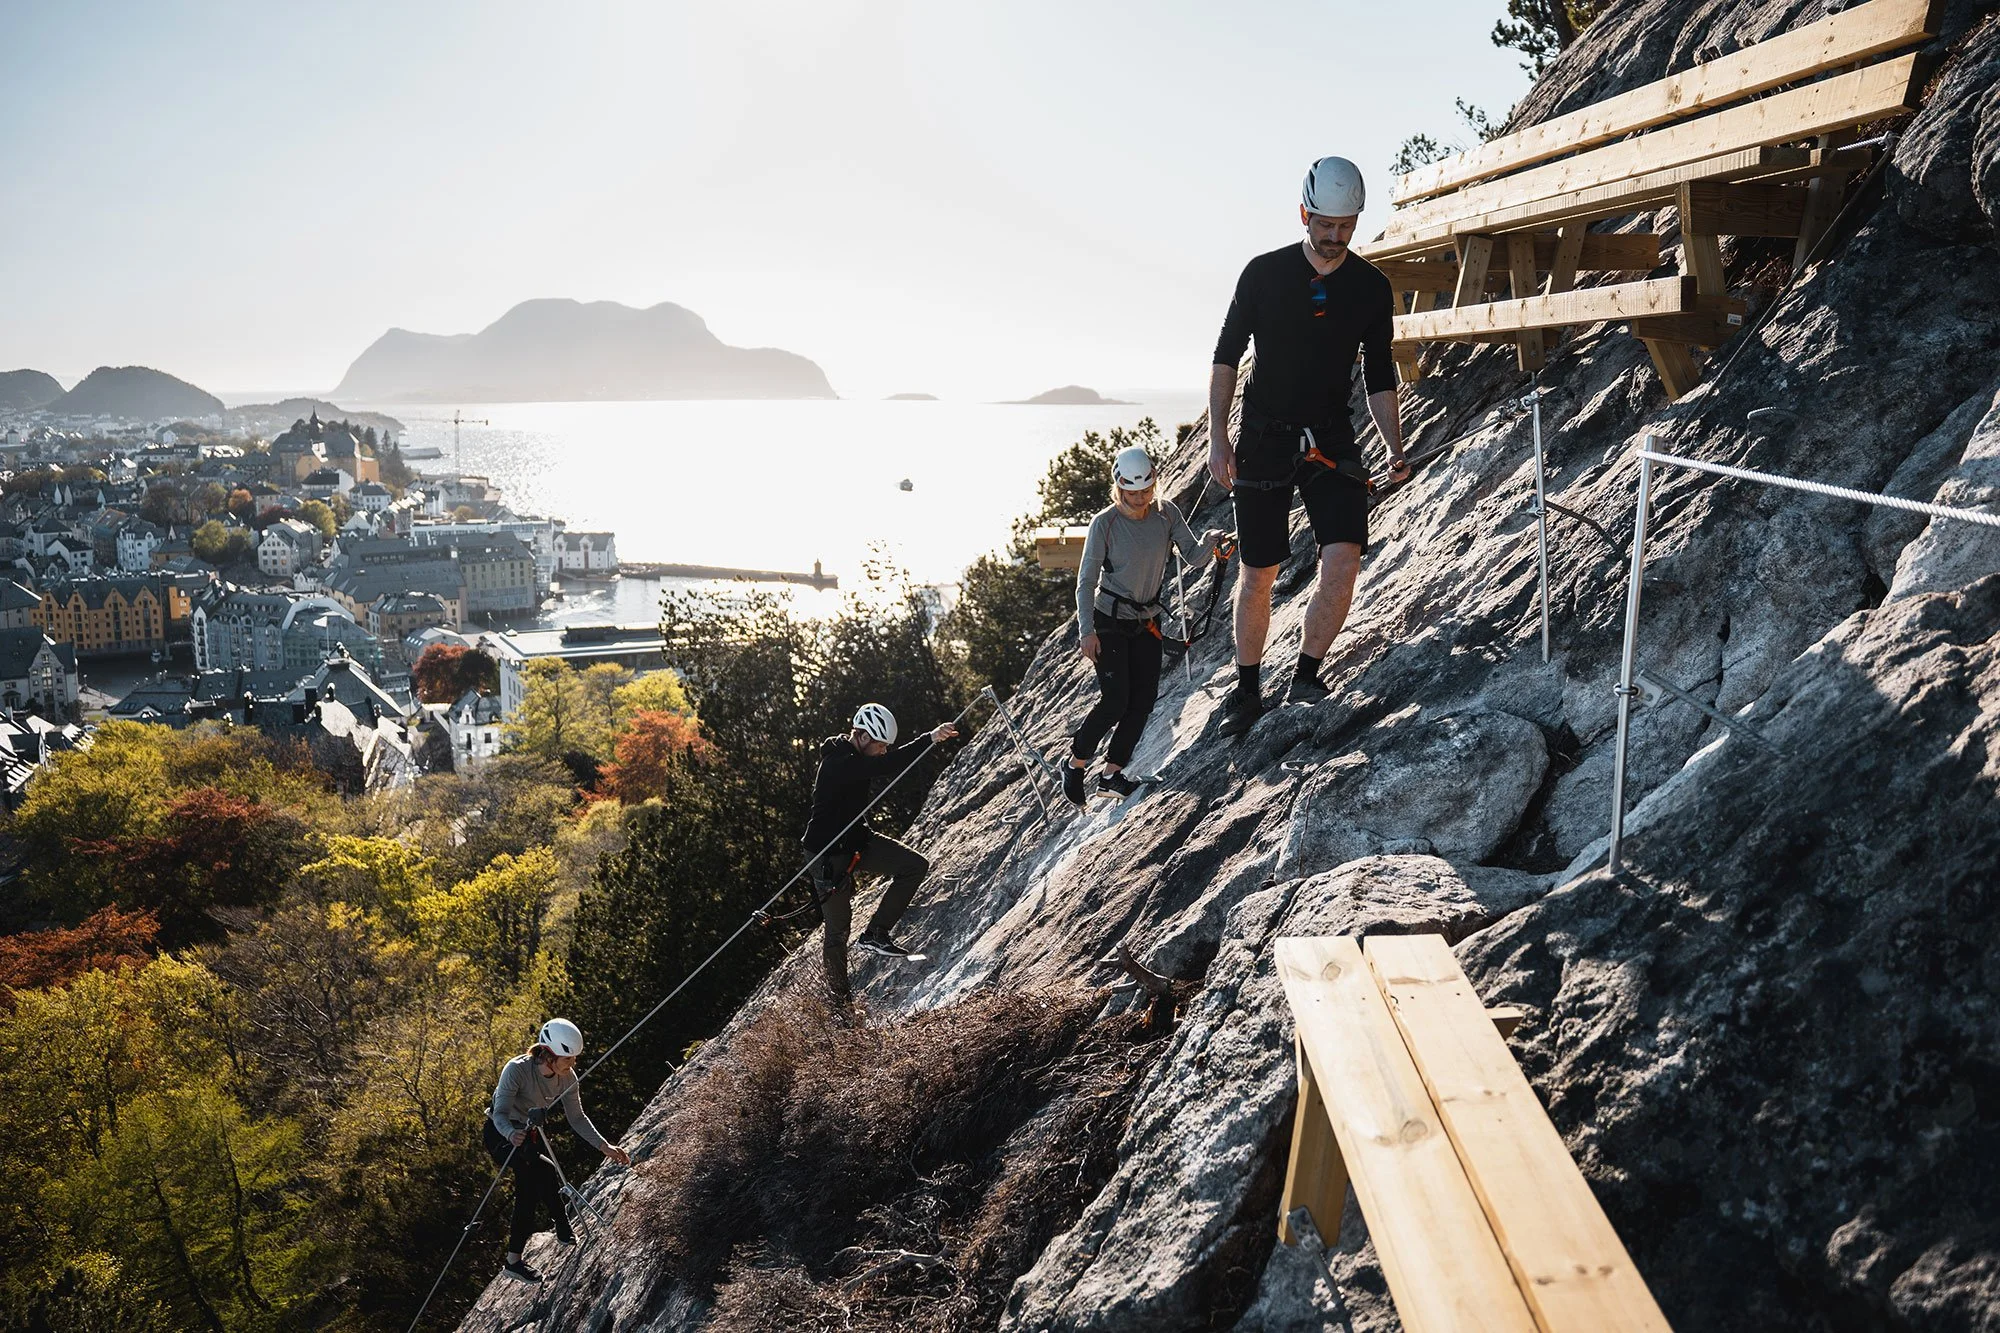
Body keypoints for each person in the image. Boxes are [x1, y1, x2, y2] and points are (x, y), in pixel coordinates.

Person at [1208, 156, 1408, 737]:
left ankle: (1306, 674)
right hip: (1264, 436)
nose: (1335, 236)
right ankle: (1247, 688)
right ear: (1304, 213)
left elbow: (1379, 374)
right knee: (1260, 570)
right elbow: (1226, 356)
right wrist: (1219, 438)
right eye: (1325, 224)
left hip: (1329, 434)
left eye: (1346, 226)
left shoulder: (1371, 288)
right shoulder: (1262, 274)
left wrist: (1393, 445)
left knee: (1344, 555)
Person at [1067, 444, 1229, 804]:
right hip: (1109, 620)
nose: (1139, 498)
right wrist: (1086, 631)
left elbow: (1194, 557)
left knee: (1142, 701)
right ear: (1118, 486)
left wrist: (1211, 543)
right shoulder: (1104, 524)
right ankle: (1076, 764)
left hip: (1147, 620)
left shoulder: (1166, 514)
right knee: (1115, 701)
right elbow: (1086, 580)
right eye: (1132, 492)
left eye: (1145, 490)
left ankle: (1111, 775)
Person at [804, 702, 959, 1002]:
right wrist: (929, 738)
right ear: (862, 737)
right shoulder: (839, 763)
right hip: (827, 857)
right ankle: (840, 1005)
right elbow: (884, 766)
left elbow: (881, 762)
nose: (884, 751)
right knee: (838, 931)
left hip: (857, 840)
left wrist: (930, 738)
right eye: (881, 745)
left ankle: (876, 933)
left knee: (913, 866)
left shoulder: (854, 756)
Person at [483, 1018, 630, 1283]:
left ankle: (560, 1231)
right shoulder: (516, 1070)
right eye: (567, 1059)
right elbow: (500, 1114)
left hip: (528, 1133)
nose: (572, 1064)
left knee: (546, 1171)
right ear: (548, 1055)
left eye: (574, 1058)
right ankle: (515, 1261)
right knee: (531, 1184)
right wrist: (510, 1133)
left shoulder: (567, 1078)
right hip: (500, 1133)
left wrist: (604, 1146)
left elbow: (577, 1118)